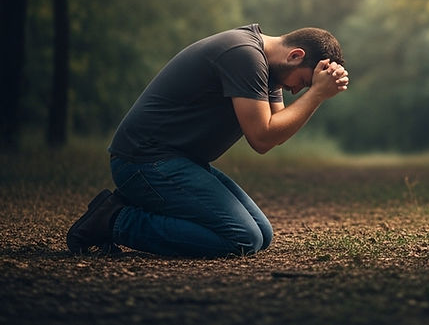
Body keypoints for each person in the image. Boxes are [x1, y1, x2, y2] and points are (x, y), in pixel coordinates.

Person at [66, 24, 348, 257]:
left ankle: (141, 204)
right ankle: (114, 220)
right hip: (144, 161)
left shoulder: (269, 70)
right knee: (242, 239)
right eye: (303, 82)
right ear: (296, 55)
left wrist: (317, 93)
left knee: (262, 234)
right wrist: (317, 95)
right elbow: (261, 137)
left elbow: (275, 133)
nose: (297, 90)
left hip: (177, 162)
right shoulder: (245, 55)